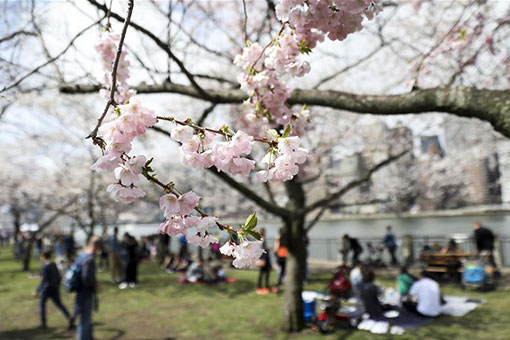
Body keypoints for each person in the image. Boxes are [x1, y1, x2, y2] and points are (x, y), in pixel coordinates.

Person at [34, 251, 73, 329]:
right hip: (55, 288)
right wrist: (57, 285)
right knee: (59, 304)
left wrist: (37, 290)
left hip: (47, 289)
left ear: (44, 257)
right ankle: (69, 317)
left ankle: (43, 324)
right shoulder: (54, 264)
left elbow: (44, 280)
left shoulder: (45, 267)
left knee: (42, 305)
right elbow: (58, 276)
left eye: (41, 257)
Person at [73, 236, 101, 340]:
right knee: (85, 318)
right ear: (96, 246)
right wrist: (94, 284)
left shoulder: (81, 255)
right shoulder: (89, 258)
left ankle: (89, 337)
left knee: (86, 317)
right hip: (85, 292)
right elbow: (86, 277)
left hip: (79, 290)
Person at [256, 228, 272, 295]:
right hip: (265, 258)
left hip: (262, 258)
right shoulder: (263, 239)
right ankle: (265, 287)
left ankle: (260, 287)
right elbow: (263, 249)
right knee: (266, 273)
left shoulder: (258, 239)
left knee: (262, 273)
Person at [273, 227, 288, 293]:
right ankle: (281, 284)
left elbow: (276, 248)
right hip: (286, 256)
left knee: (280, 271)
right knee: (284, 271)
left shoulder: (278, 239)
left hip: (280, 256)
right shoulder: (288, 239)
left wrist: (275, 255)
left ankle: (277, 285)